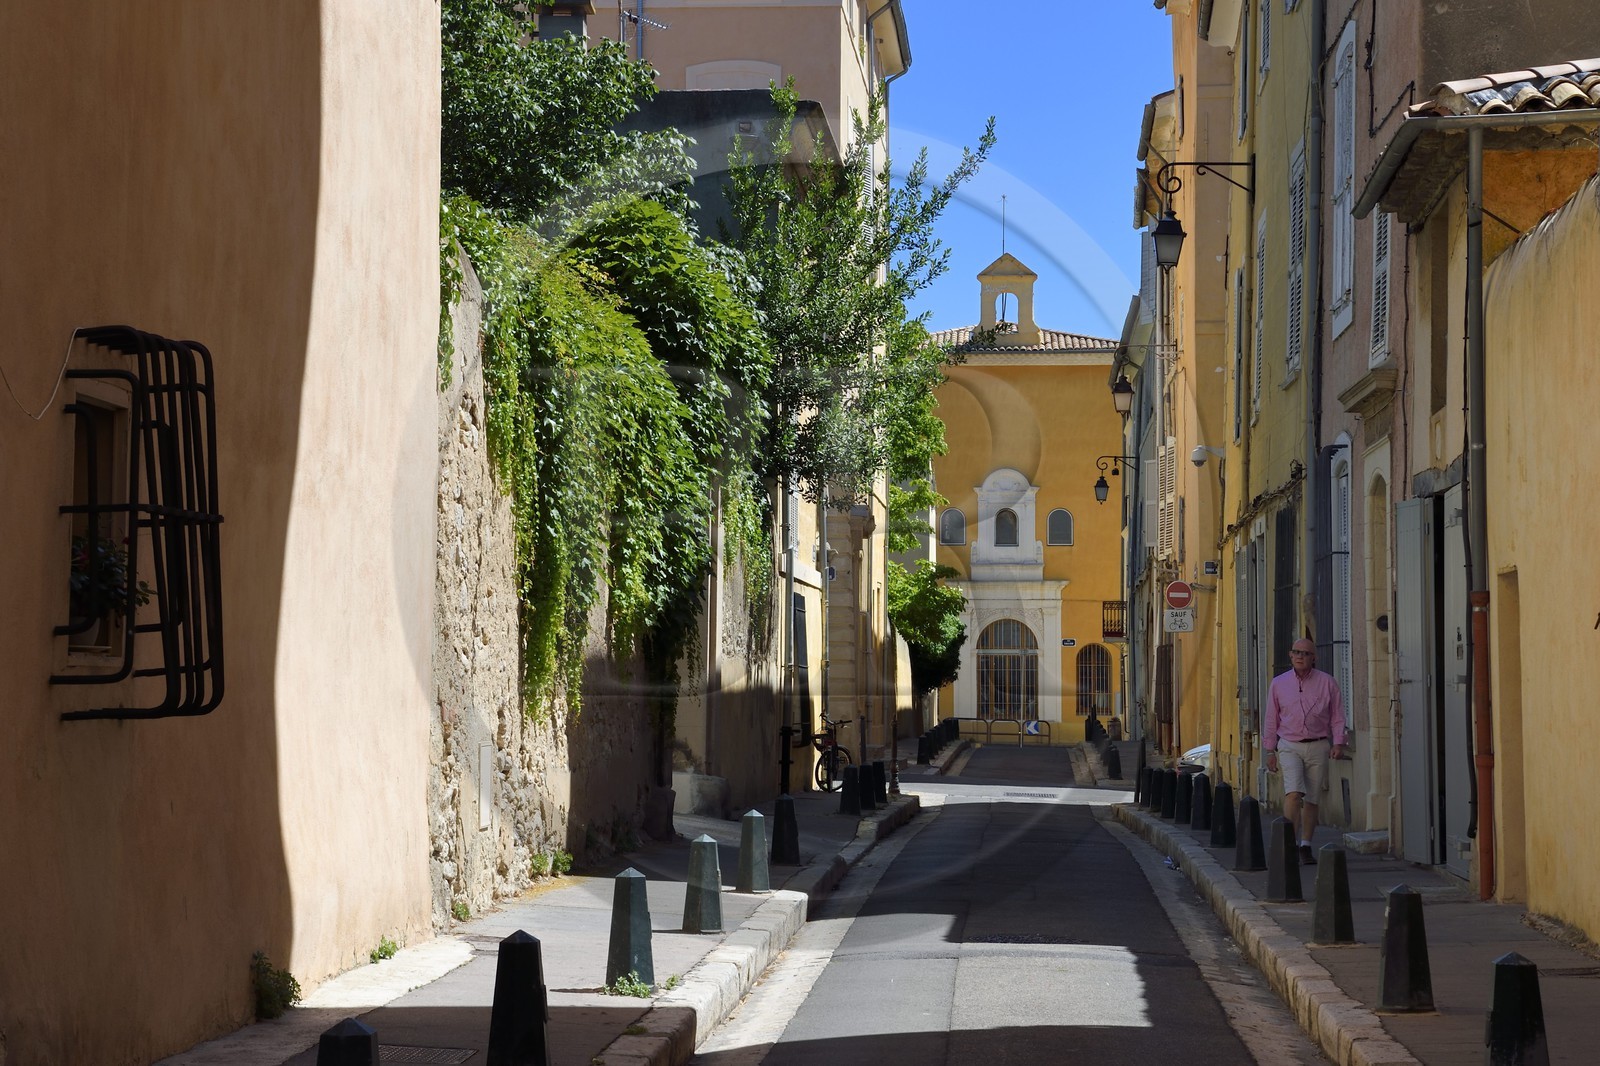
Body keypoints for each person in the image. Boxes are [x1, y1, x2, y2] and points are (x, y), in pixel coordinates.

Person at [1263, 638, 1347, 865]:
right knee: (1293, 792)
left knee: (1312, 798)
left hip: (1318, 744)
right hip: (1289, 744)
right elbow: (1271, 718)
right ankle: (1288, 845)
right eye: (1296, 652)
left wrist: (1338, 742)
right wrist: (1269, 750)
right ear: (1290, 656)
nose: (1300, 656)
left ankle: (1305, 846)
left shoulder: (1328, 683)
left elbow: (1338, 715)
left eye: (1305, 653)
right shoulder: (1278, 684)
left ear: (1314, 657)